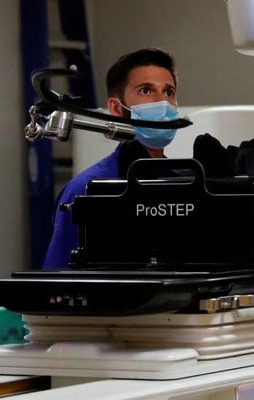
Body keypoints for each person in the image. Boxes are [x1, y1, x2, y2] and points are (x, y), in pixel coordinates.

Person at [42, 47, 181, 269]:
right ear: (116, 108)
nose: (162, 102)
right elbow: (58, 279)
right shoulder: (86, 190)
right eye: (146, 91)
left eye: (169, 92)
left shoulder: (186, 186)